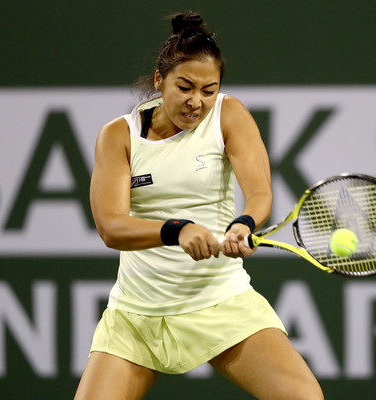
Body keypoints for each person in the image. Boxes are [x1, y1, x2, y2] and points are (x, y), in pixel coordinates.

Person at [73, 12, 324, 400]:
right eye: (185, 87)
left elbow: (260, 194)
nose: (197, 102)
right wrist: (177, 230)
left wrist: (244, 222)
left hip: (219, 300)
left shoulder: (230, 115)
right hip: (138, 314)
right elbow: (111, 227)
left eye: (209, 90)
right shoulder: (119, 136)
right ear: (160, 81)